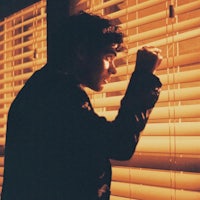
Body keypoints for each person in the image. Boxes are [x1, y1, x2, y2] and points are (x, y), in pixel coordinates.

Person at [1, 11, 162, 200]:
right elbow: (119, 143)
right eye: (109, 57)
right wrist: (143, 76)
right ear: (82, 51)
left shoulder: (42, 87)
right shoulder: (58, 93)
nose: (113, 69)